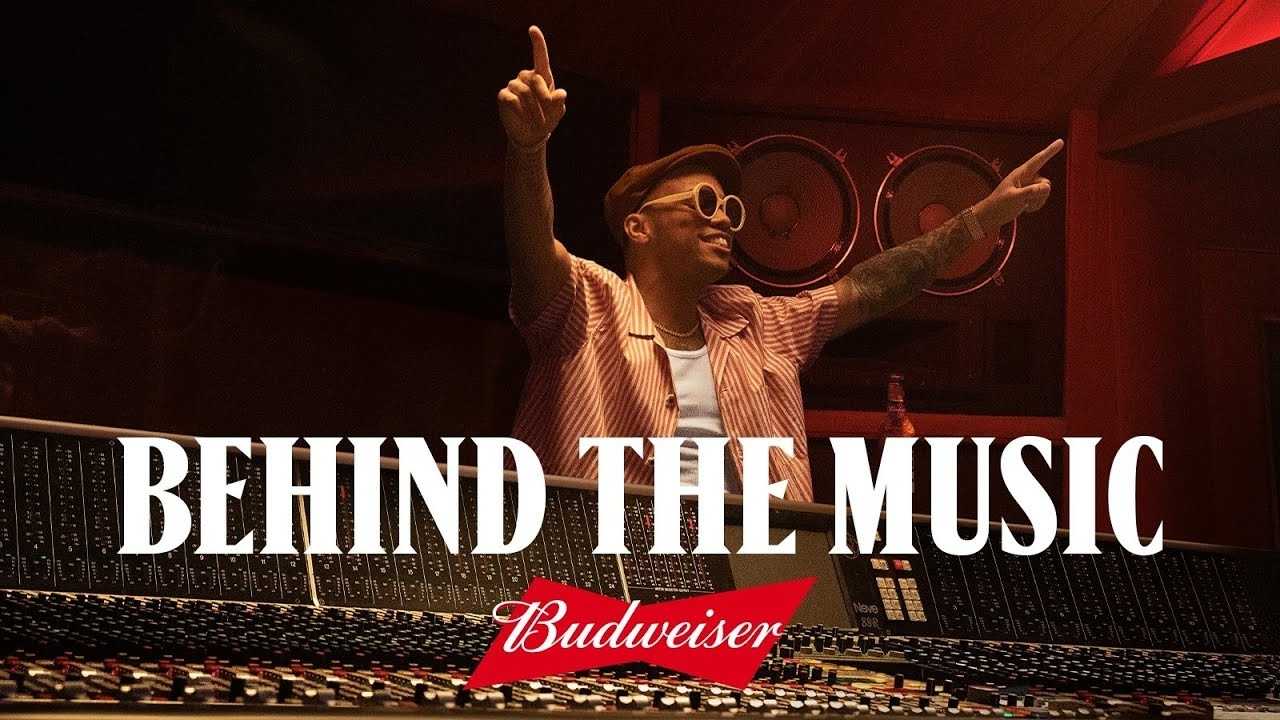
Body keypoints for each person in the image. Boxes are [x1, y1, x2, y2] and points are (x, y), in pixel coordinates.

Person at [498, 26, 1061, 502]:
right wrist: (528, 150)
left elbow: (871, 286)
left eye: (730, 207)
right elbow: (531, 244)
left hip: (757, 588)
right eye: (705, 202)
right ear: (638, 227)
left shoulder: (760, 325)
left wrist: (983, 217)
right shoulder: (586, 304)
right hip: (609, 590)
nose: (724, 219)